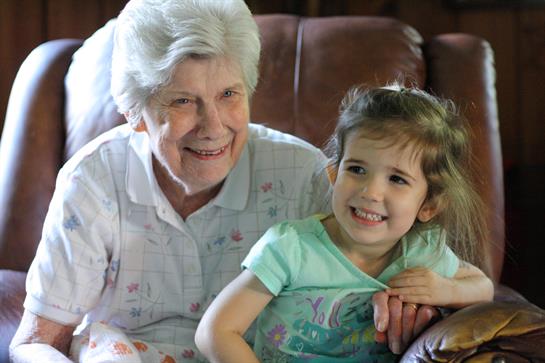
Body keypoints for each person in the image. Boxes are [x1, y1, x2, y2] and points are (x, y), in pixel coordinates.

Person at [8, 1, 432, 362]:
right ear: (136, 113)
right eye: (183, 101)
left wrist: (407, 302)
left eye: (229, 95)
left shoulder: (304, 175)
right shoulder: (95, 177)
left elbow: (386, 267)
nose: (212, 127)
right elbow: (35, 342)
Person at [195, 84, 494, 362]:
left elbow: (483, 286)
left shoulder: (421, 252)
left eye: (397, 179)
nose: (371, 192)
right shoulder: (291, 248)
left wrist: (444, 290)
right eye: (357, 169)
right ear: (333, 175)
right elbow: (214, 332)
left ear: (428, 205)